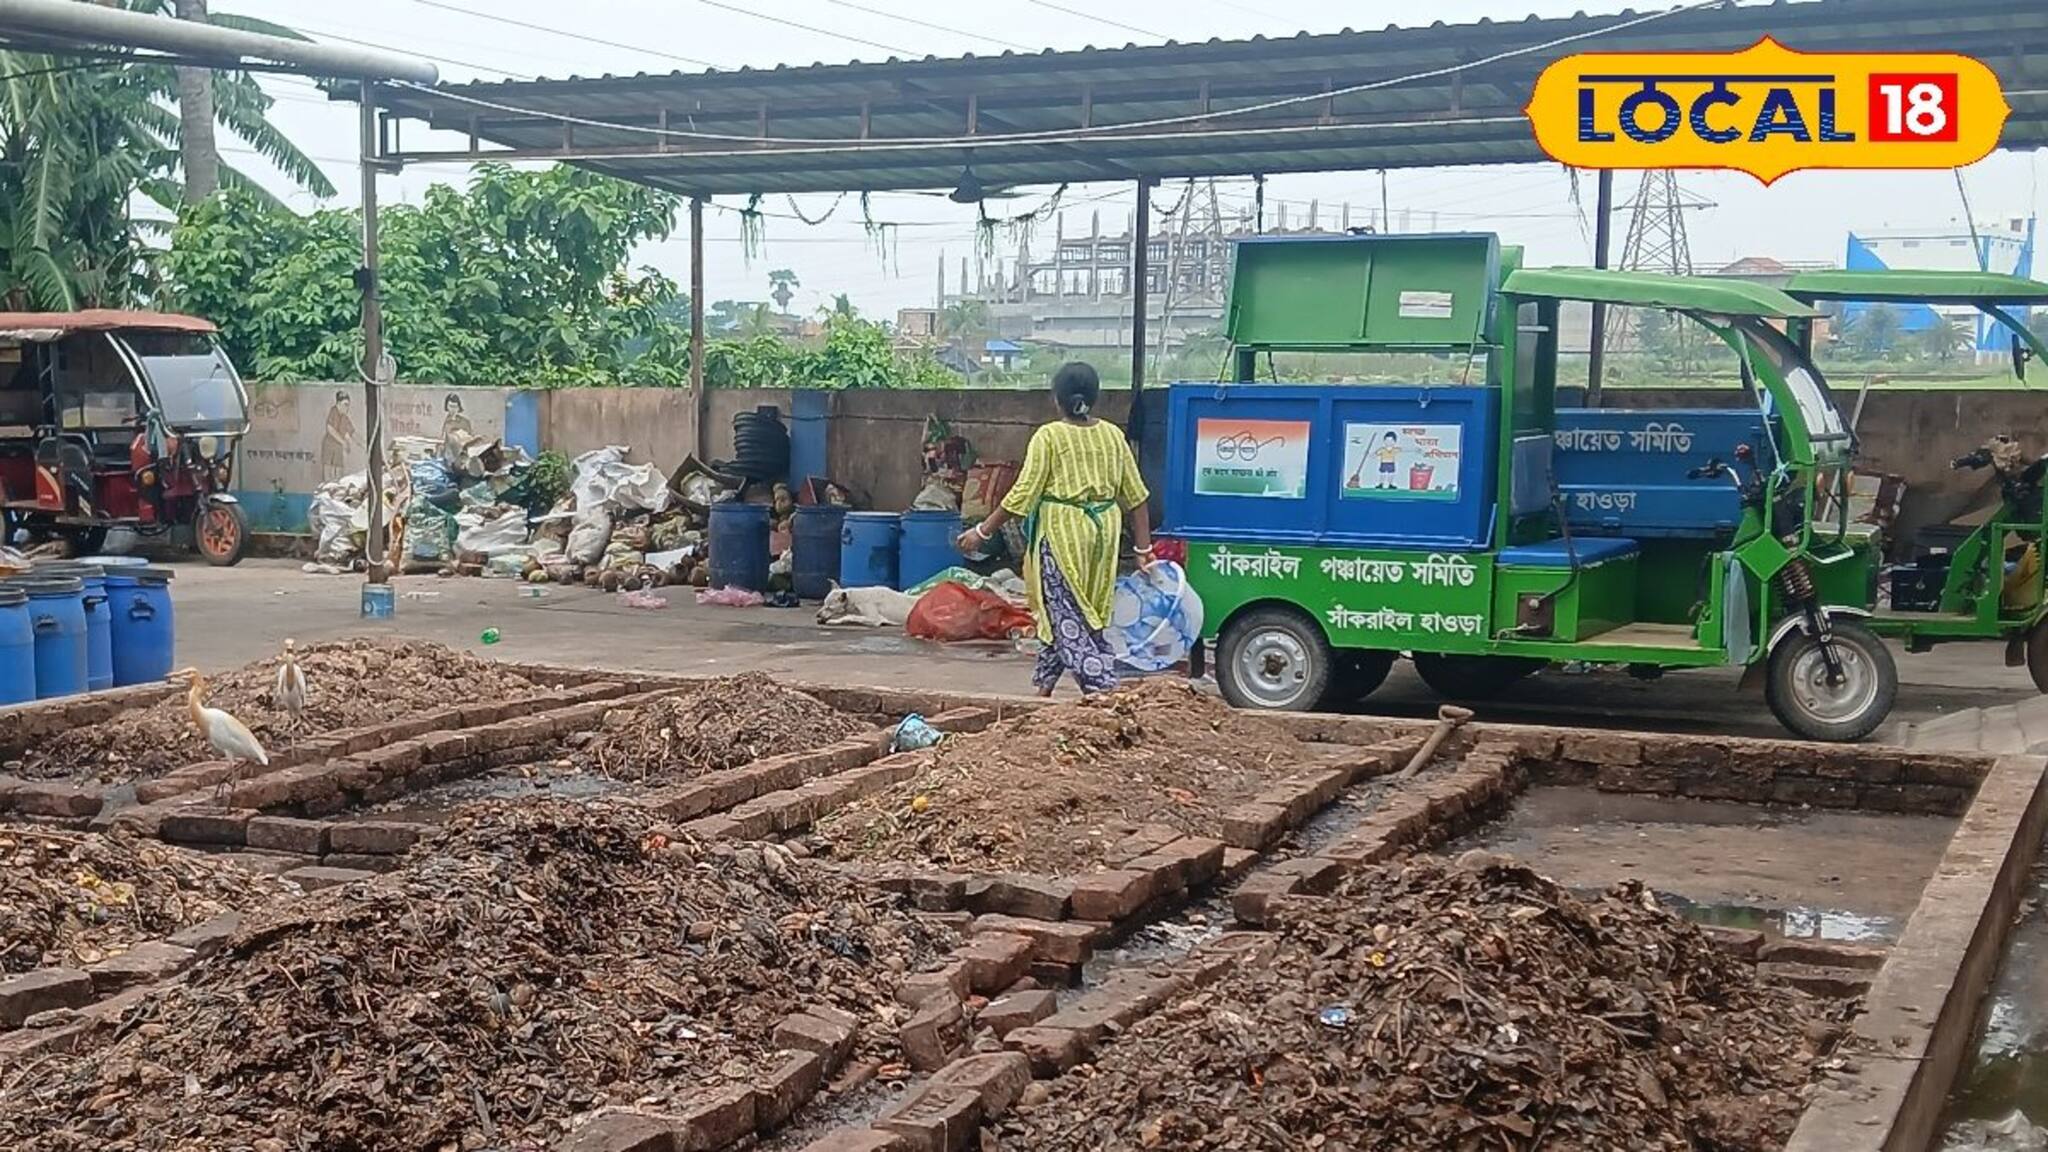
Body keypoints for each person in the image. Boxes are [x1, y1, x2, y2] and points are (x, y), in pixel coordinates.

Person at [957, 362, 1153, 697]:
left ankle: (1102, 688)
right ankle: (1043, 690)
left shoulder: (1049, 436)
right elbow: (1137, 496)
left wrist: (983, 532)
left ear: (1056, 399)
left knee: (1066, 614)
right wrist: (1143, 550)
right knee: (1075, 611)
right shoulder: (1113, 435)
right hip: (1104, 535)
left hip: (1064, 534)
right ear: (1095, 397)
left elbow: (1022, 495)